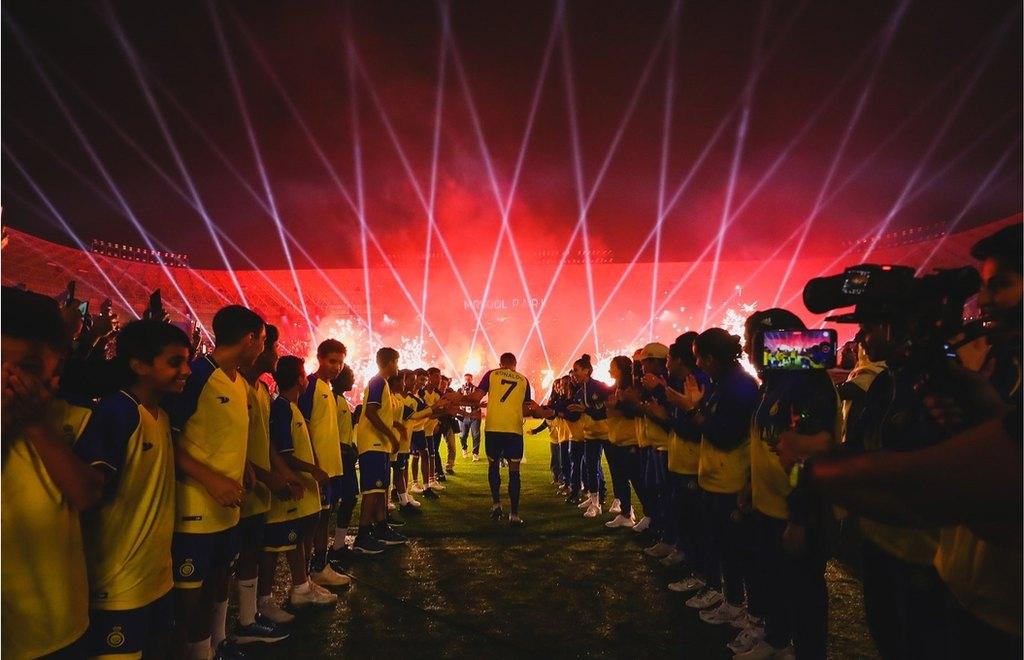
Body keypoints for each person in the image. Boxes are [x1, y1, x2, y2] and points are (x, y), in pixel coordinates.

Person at [76, 320, 192, 658]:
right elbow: (89, 490)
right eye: (175, 362)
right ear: (139, 365)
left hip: (156, 575)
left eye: (187, 360)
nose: (186, 370)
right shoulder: (118, 411)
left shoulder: (160, 415)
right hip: (118, 579)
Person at [2, 287, 103, 659]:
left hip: (59, 629)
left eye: (26, 368)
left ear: (56, 370)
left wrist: (36, 425)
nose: (8, 378)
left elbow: (88, 494)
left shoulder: (74, 420)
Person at [733, 310, 838, 660]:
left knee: (804, 594)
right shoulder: (775, 382)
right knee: (774, 583)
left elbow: (812, 456)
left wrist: (798, 519)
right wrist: (750, 485)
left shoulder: (808, 383)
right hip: (768, 507)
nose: (746, 348)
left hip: (796, 513)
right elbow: (762, 442)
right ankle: (777, 641)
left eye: (752, 340)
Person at [164, 304, 264, 659]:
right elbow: (167, 439)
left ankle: (207, 649)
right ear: (250, 339)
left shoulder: (237, 381)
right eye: (262, 340)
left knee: (216, 585)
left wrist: (244, 465)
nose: (263, 349)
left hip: (228, 511)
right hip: (195, 511)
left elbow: (219, 435)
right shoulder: (198, 375)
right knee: (187, 599)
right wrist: (211, 480)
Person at [682, 329, 760, 626]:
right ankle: (734, 601)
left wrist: (691, 410)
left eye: (700, 357)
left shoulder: (740, 386)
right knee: (725, 546)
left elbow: (725, 435)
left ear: (712, 358)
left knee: (738, 550)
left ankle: (746, 609)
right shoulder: (723, 383)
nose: (698, 364)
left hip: (732, 482)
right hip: (718, 479)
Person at [233, 324, 303, 641]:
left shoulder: (262, 390)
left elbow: (265, 443)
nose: (277, 353)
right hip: (235, 491)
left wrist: (283, 476)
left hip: (258, 489)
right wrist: (267, 477)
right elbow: (235, 447)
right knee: (227, 562)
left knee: (251, 553)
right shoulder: (234, 386)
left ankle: (248, 619)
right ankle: (226, 629)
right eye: (272, 345)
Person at [266, 356, 337, 611]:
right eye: (303, 374)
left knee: (304, 533)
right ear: (298, 378)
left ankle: (304, 583)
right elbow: (283, 453)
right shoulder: (283, 408)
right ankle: (295, 589)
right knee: (288, 541)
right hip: (293, 489)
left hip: (303, 487)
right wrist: (312, 471)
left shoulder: (292, 406)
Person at [458, 352, 550, 524]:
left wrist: (457, 399)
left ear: (500, 364)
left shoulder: (491, 374)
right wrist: (540, 412)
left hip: (493, 429)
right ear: (515, 364)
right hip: (513, 430)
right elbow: (526, 409)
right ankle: (514, 515)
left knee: (493, 466)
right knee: (514, 471)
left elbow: (475, 398)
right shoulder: (523, 380)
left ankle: (496, 504)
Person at [298, 339, 350, 587]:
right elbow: (304, 427)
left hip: (330, 468)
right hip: (318, 470)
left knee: (324, 517)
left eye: (340, 362)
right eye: (332, 361)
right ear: (319, 358)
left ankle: (320, 566)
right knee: (313, 522)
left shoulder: (327, 388)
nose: (337, 367)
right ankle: (309, 573)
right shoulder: (309, 386)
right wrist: (315, 465)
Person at [353, 347, 408, 553]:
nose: (398, 366)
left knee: (380, 489)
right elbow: (370, 412)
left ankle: (381, 528)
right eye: (397, 361)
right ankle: (362, 535)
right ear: (391, 362)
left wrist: (394, 426)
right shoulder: (378, 381)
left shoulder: (381, 383)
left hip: (379, 444)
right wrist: (390, 434)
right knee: (372, 491)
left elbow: (380, 413)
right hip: (373, 444)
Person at [636, 342, 673, 555]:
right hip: (655, 444)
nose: (642, 367)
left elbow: (671, 415)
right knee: (655, 491)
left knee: (667, 496)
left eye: (645, 362)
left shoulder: (667, 383)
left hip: (666, 447)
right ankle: (663, 534)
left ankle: (671, 540)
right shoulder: (779, 381)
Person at [568, 354, 611, 518]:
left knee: (615, 469)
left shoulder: (599, 387)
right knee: (591, 467)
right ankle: (595, 502)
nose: (574, 373)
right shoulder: (579, 391)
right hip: (590, 434)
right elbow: (576, 414)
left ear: (586, 370)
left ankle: (623, 504)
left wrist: (585, 410)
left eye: (576, 370)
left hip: (606, 433)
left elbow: (603, 412)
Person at [604, 356, 642, 528]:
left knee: (637, 480)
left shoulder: (632, 388)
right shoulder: (616, 388)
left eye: (612, 367)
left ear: (620, 369)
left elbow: (632, 411)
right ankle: (626, 513)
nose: (609, 370)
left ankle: (649, 515)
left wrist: (618, 405)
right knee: (619, 479)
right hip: (616, 439)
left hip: (630, 440)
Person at [329, 365, 360, 563]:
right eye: (350, 376)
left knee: (347, 499)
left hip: (343, 457)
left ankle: (337, 545)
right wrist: (345, 450)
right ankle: (332, 547)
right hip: (339, 460)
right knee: (341, 501)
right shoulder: (333, 399)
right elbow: (332, 431)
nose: (353, 380)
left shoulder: (338, 399)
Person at [459, 373, 483, 459]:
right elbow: (458, 400)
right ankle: (464, 448)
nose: (467, 381)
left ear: (471, 379)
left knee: (476, 434)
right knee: (463, 435)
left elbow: (478, 400)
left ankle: (475, 453)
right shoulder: (460, 389)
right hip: (464, 414)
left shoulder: (476, 389)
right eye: (466, 379)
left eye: (469, 379)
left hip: (474, 414)